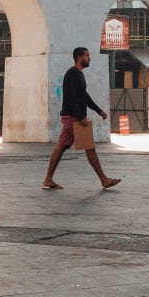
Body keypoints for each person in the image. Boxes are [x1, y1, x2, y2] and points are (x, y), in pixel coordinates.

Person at [43, 46, 121, 191]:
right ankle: (104, 180)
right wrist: (80, 117)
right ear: (79, 58)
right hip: (73, 118)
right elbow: (72, 98)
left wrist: (98, 110)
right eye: (87, 55)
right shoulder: (72, 74)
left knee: (61, 147)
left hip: (72, 117)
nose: (89, 58)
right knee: (89, 148)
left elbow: (84, 96)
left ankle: (48, 179)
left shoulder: (79, 74)